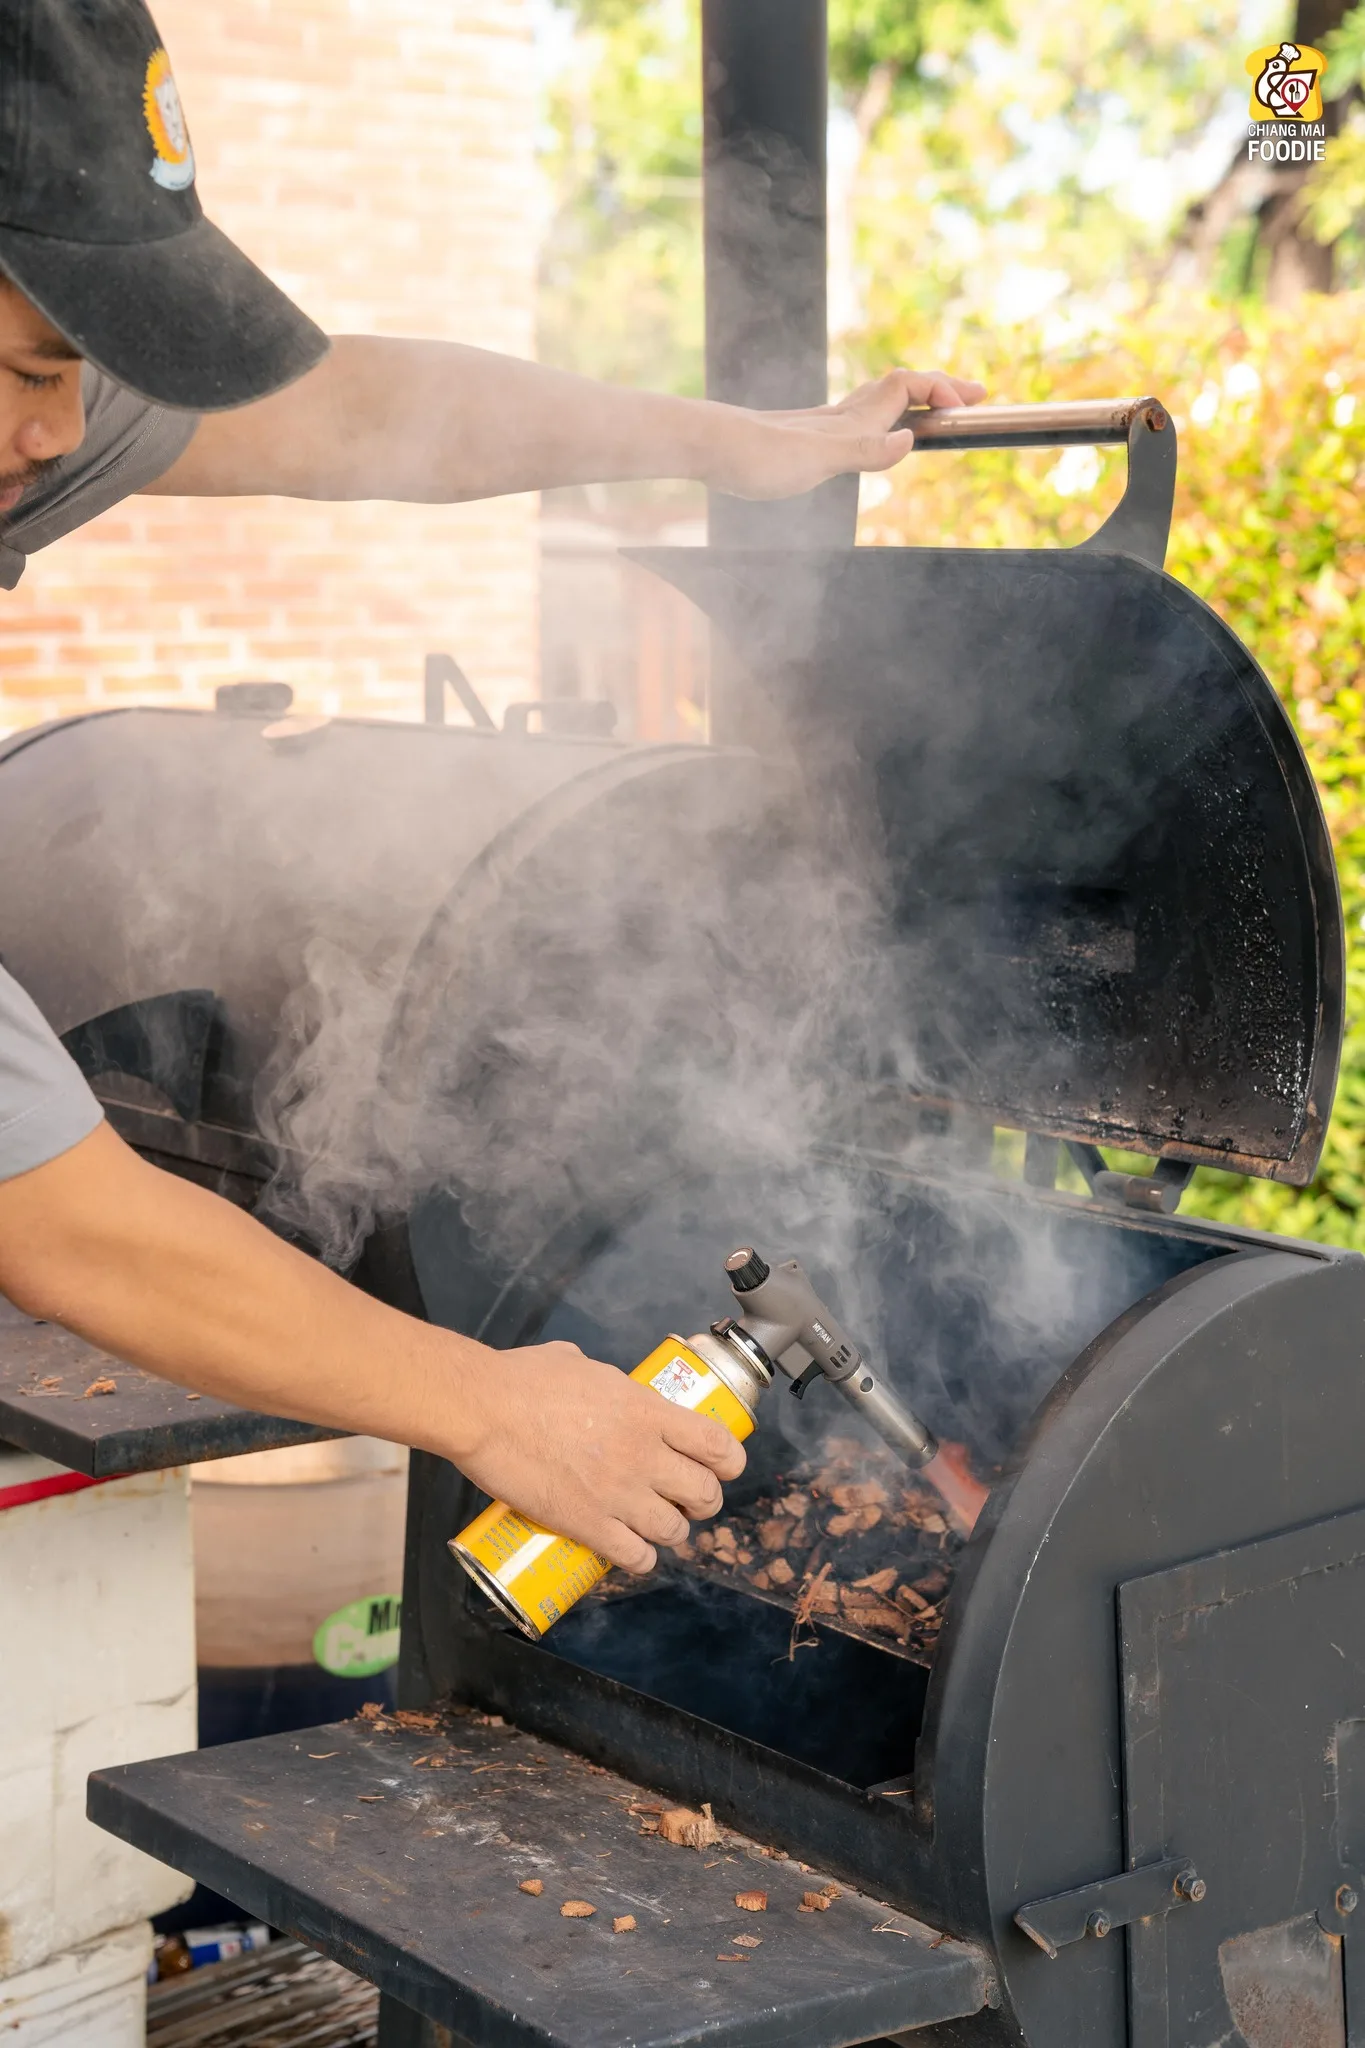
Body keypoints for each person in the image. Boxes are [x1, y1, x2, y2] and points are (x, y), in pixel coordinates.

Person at [0, 0, 984, 1573]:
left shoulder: (26, 426)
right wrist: (486, 1405)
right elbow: (58, 1217)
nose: (58, 433)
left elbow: (360, 412)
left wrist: (742, 444)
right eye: (25, 368)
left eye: (79, 368)